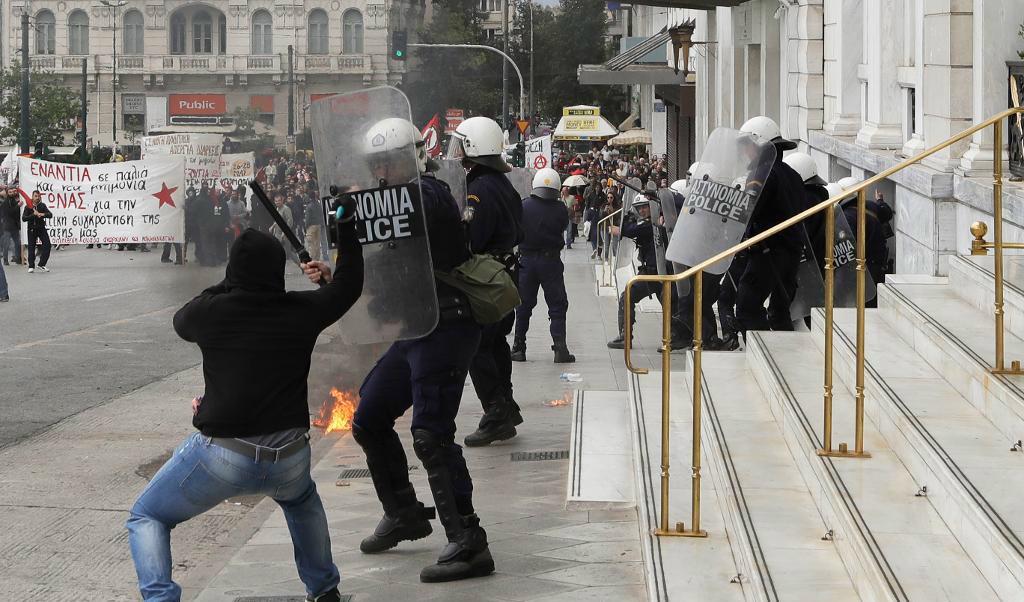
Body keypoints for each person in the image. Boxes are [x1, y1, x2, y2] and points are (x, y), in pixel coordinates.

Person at [126, 220, 364, 602]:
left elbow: (183, 316)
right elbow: (348, 286)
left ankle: (160, 599)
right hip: (289, 456)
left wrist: (228, 284)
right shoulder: (302, 310)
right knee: (301, 500)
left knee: (147, 516)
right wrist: (347, 229)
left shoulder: (211, 313)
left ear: (232, 271)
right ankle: (324, 590)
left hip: (224, 456)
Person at [339, 118, 495, 582]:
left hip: (449, 327)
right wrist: (334, 276)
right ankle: (404, 512)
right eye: (376, 164)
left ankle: (469, 541)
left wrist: (350, 206)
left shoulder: (429, 194)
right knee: (368, 416)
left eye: (388, 161)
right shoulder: (389, 208)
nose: (382, 171)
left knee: (430, 433)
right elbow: (382, 268)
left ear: (410, 157)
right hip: (415, 331)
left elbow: (410, 207)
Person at [450, 117, 526, 448]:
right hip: (506, 275)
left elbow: (473, 238)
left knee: (477, 347)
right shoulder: (502, 183)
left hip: (488, 281)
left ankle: (496, 412)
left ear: (473, 149)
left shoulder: (479, 189)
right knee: (495, 345)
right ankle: (505, 407)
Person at [734, 116, 806, 333]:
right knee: (779, 313)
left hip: (768, 252)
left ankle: (766, 357)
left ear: (760, 144)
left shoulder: (761, 173)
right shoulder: (792, 175)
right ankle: (785, 361)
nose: (746, 152)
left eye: (748, 146)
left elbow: (749, 210)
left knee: (747, 308)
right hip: (792, 253)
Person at [511, 168, 575, 364]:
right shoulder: (560, 209)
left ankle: (519, 348)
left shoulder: (523, 206)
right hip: (551, 262)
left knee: (523, 306)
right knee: (557, 305)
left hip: (527, 261)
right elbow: (564, 226)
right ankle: (560, 348)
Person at [606, 195, 686, 349]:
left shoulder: (651, 225)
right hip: (657, 271)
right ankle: (677, 336)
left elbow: (628, 230)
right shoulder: (656, 223)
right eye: (639, 208)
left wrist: (628, 215)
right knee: (669, 305)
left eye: (645, 206)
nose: (642, 210)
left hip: (654, 273)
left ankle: (625, 336)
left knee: (627, 296)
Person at [22, 190, 52, 273]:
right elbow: (24, 218)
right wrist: (33, 215)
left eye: (39, 196)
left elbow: (50, 214)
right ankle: (31, 266)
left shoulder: (42, 205)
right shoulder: (28, 207)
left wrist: (42, 214)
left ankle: (41, 264)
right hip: (31, 229)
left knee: (47, 245)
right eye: (35, 196)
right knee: (31, 247)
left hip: (41, 228)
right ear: (32, 196)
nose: (37, 198)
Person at [1, 187, 22, 265]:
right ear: (7, 193)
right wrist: (18, 206)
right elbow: (10, 212)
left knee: (17, 243)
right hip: (7, 227)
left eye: (12, 192)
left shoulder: (14, 201)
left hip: (15, 227)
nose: (12, 193)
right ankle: (5, 260)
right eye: (10, 192)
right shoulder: (5, 203)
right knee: (6, 245)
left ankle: (18, 259)